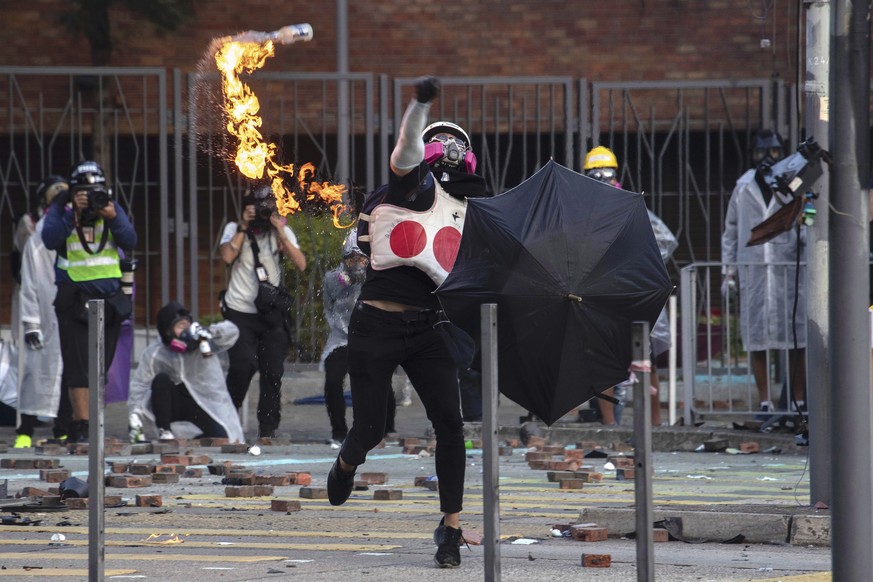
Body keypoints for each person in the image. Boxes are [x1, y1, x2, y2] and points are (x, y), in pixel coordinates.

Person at [326, 76, 487, 569]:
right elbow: (403, 149)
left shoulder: (467, 209)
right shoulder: (407, 184)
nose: (453, 157)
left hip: (428, 329)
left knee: (451, 425)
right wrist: (420, 103)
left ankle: (451, 526)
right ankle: (348, 460)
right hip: (376, 324)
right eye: (444, 149)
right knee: (371, 428)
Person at [42, 161, 137, 444]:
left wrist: (111, 215)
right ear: (73, 191)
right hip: (73, 300)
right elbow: (49, 239)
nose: (89, 195)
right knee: (78, 368)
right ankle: (81, 426)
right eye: (83, 190)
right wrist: (72, 213)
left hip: (108, 301)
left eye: (94, 189)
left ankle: (94, 422)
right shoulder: (62, 210)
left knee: (100, 368)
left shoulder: (109, 207)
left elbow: (130, 239)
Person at [582, 145, 678, 426]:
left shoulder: (630, 205)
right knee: (605, 363)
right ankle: (611, 425)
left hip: (633, 294)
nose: (602, 179)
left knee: (645, 360)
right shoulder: (585, 213)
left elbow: (663, 241)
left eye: (606, 172)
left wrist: (637, 264)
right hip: (602, 295)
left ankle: (656, 424)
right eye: (596, 173)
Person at [721, 129, 807, 415]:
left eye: (772, 152)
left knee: (797, 338)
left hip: (790, 274)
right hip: (754, 273)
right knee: (756, 338)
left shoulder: (792, 185)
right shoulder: (743, 187)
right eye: (761, 152)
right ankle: (765, 402)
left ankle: (798, 401)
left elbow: (807, 224)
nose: (767, 159)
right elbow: (731, 232)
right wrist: (728, 272)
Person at [219, 185, 306, 439]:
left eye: (267, 207)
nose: (262, 212)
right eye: (258, 207)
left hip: (270, 314)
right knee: (241, 367)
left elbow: (301, 264)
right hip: (239, 311)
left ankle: (267, 429)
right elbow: (226, 258)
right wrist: (243, 227)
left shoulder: (282, 230)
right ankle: (224, 422)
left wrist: (280, 231)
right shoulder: (234, 229)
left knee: (272, 371)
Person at [319, 231, 398, 448]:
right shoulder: (333, 278)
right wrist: (349, 279)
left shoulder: (376, 275)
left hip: (372, 336)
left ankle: (386, 428)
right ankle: (338, 431)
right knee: (333, 380)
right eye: (351, 258)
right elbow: (330, 303)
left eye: (360, 258)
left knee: (380, 380)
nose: (356, 263)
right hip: (342, 338)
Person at [127, 301, 244, 443]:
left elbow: (233, 331)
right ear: (167, 332)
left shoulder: (205, 342)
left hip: (207, 404)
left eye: (187, 324)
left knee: (221, 439)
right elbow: (140, 385)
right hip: (177, 404)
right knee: (161, 380)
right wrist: (135, 414)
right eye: (180, 326)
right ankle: (166, 432)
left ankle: (194, 439)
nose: (185, 329)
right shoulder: (156, 353)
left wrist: (209, 332)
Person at [15, 175, 67, 448]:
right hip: (40, 309)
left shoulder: (75, 225)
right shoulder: (35, 231)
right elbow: (28, 279)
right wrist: (31, 322)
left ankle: (63, 430)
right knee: (33, 371)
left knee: (69, 371)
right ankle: (25, 431)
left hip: (68, 308)